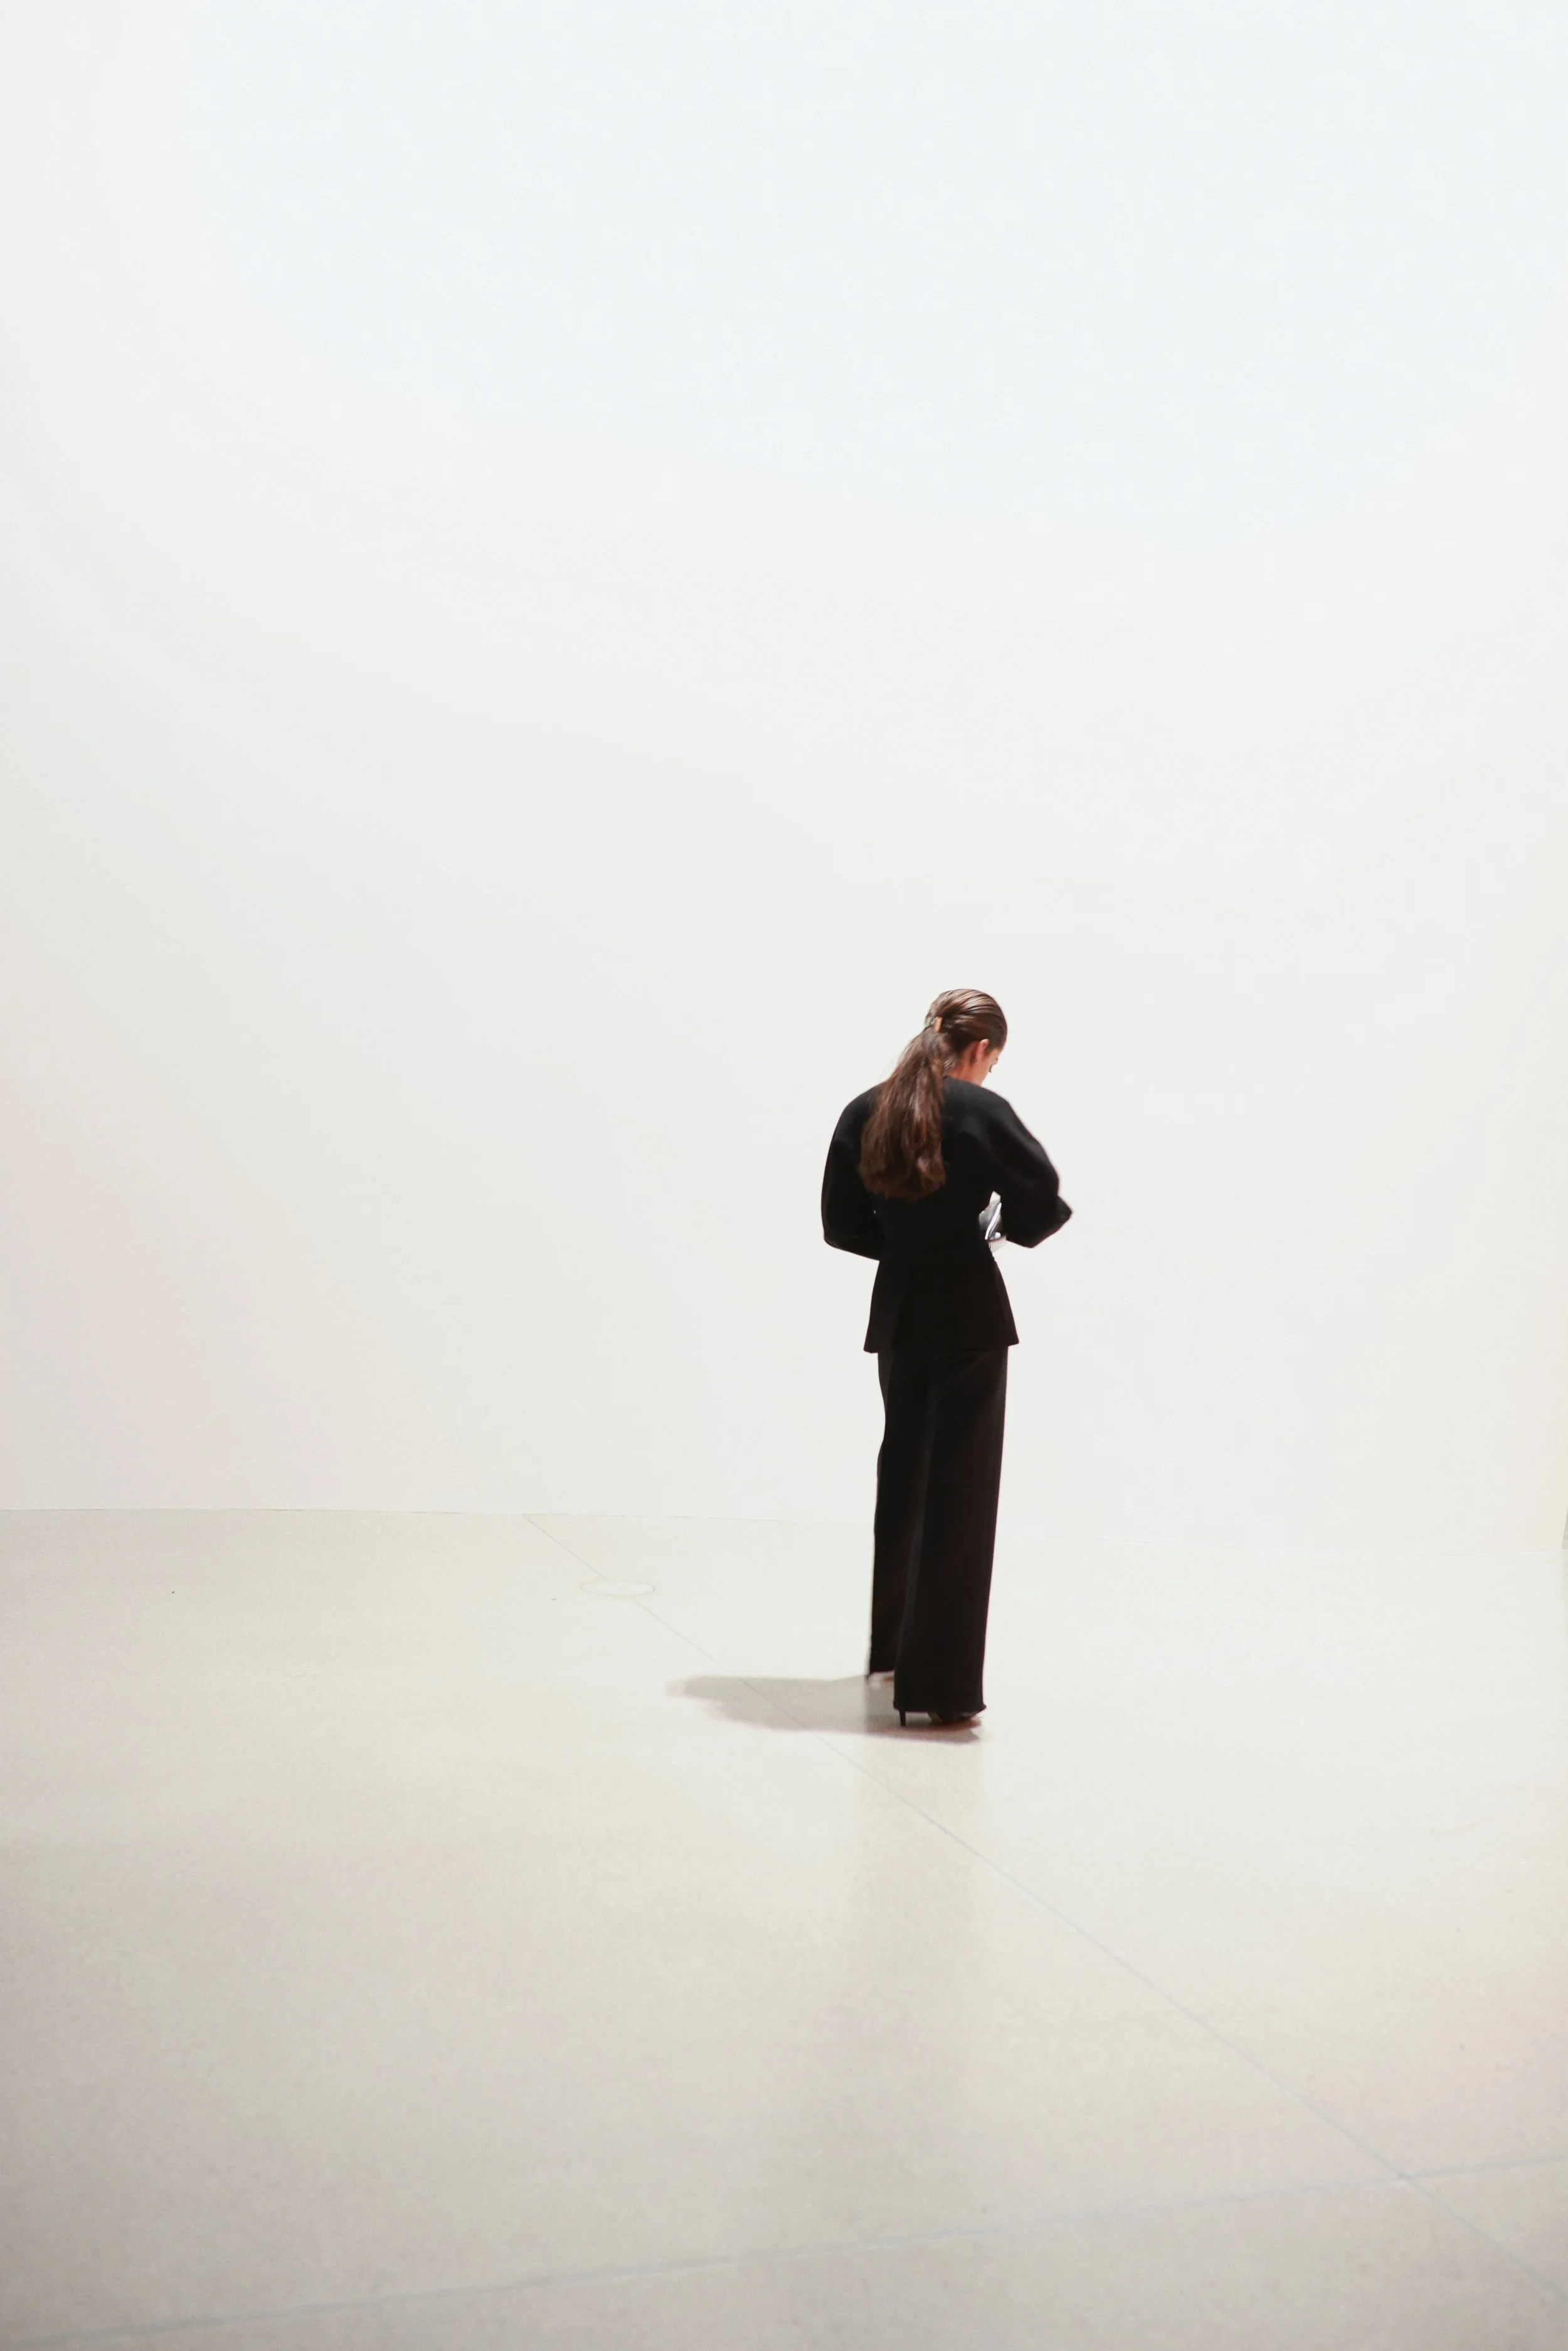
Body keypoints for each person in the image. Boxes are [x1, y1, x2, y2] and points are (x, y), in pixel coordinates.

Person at [821, 989, 1071, 1728]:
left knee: (904, 1478)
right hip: (968, 1315)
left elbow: (841, 1225)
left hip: (899, 1314)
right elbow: (1044, 1203)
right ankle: (941, 1689)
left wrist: (906, 1246)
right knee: (959, 1497)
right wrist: (988, 1229)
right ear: (981, 1049)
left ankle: (891, 1652)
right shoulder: (980, 1110)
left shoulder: (866, 1109)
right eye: (993, 1060)